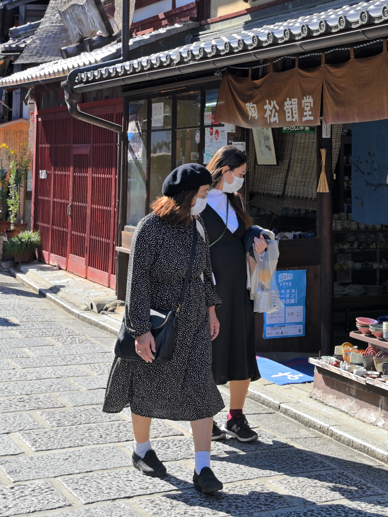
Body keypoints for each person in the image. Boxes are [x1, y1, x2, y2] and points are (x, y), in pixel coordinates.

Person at [102, 163, 224, 494]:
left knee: (201, 386)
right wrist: (140, 329)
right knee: (148, 384)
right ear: (186, 196)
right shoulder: (150, 228)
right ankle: (142, 449)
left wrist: (212, 309)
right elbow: (136, 279)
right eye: (202, 194)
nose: (206, 199)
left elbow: (205, 271)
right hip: (159, 321)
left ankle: (203, 468)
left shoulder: (197, 225)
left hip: (195, 320)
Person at [203, 146, 267, 443]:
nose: (241, 180)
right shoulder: (198, 201)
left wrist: (256, 236)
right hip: (210, 290)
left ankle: (236, 416)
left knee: (241, 349)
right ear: (225, 171)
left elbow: (246, 232)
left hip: (239, 289)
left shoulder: (235, 201)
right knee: (209, 352)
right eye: (239, 174)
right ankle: (206, 414)